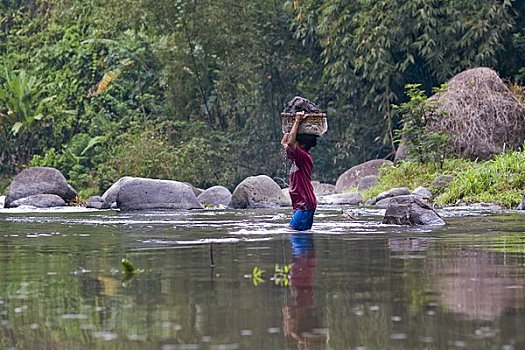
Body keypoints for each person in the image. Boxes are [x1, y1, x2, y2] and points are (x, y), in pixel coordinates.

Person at [281, 112, 318, 231]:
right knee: (302, 238)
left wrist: (297, 121)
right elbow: (284, 143)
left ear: (302, 144)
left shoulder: (303, 157)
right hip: (302, 204)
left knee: (292, 233)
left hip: (305, 204)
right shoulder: (296, 157)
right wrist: (290, 125)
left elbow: (290, 143)